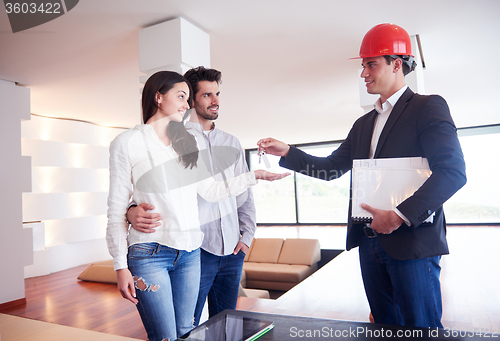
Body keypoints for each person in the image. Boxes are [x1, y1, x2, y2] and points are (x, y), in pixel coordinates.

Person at [257, 23, 466, 328]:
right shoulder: (363, 124)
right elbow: (330, 169)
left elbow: (453, 173)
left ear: (397, 64)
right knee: (383, 328)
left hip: (411, 242)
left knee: (421, 329)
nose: (363, 73)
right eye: (363, 65)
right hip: (370, 244)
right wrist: (288, 152)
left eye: (371, 64)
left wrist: (398, 215)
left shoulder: (427, 107)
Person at [106, 71, 288, 341]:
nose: (186, 105)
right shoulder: (127, 142)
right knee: (165, 336)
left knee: (186, 332)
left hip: (190, 253)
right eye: (181, 97)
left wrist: (254, 176)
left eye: (188, 98)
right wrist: (120, 265)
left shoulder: (186, 143)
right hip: (150, 253)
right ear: (158, 97)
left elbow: (212, 191)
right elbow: (116, 207)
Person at [127, 66, 257, 326]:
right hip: (195, 250)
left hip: (232, 249)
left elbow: (244, 196)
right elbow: (144, 189)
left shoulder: (232, 142)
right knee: (188, 325)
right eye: (207, 95)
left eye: (217, 94)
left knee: (227, 323)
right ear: (191, 99)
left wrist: (246, 237)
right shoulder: (175, 139)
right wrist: (130, 211)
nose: (216, 100)